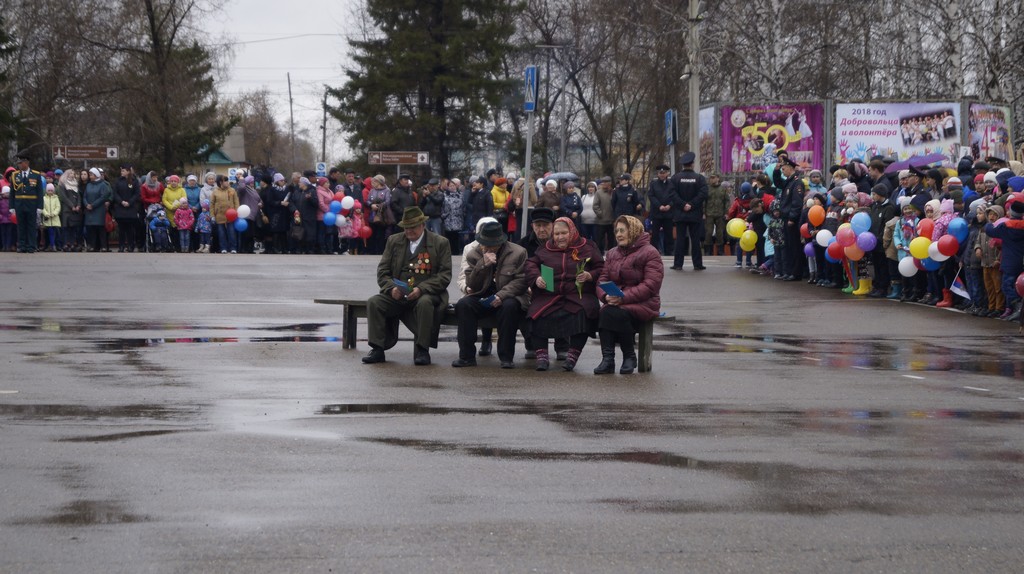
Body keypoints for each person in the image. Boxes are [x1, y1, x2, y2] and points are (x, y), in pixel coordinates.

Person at [362, 206, 453, 366]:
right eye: (406, 228)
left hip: (425, 293)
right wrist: (391, 288)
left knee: (425, 303)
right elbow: (383, 271)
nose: (409, 231)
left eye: (412, 227)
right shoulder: (394, 241)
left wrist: (421, 289)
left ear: (422, 225)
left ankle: (422, 350)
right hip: (398, 294)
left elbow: (444, 275)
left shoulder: (440, 243)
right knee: (374, 302)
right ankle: (377, 349)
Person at [525, 217, 604, 372]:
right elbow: (531, 264)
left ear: (572, 231)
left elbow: (601, 267)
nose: (560, 237)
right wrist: (537, 278)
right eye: (556, 234)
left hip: (577, 295)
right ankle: (542, 357)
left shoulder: (588, 247)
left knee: (584, 313)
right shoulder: (546, 248)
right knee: (535, 314)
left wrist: (590, 275)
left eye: (563, 233)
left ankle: (572, 356)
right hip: (550, 295)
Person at [452, 220, 529, 369]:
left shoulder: (519, 252)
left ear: (499, 243)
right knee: (464, 305)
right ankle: (466, 356)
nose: (485, 247)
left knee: (509, 307)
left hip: (508, 296)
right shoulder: (474, 254)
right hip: (483, 294)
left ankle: (506, 357)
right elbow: (472, 285)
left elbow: (521, 281)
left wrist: (501, 295)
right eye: (483, 244)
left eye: (489, 245)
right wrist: (482, 265)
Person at [594, 215, 663, 374]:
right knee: (606, 311)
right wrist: (605, 297)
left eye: (622, 230)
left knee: (615, 313)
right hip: (616, 302)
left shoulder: (650, 252)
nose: (618, 234)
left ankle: (628, 356)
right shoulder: (612, 253)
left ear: (633, 230)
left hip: (644, 303)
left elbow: (651, 285)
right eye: (616, 230)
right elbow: (602, 280)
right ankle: (609, 360)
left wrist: (623, 297)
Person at [984, 201, 1024, 321]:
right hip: (1021, 261)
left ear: (1011, 212)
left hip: (1009, 261)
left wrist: (989, 223)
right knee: (1020, 286)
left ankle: (1018, 306)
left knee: (1007, 286)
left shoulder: (1005, 226)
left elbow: (990, 230)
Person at [669, 152, 708, 270]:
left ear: (683, 165)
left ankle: (678, 264)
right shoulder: (699, 178)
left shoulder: (675, 178)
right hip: (695, 213)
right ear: (692, 164)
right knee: (695, 239)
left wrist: (682, 205)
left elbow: (672, 194)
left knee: (680, 239)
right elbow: (703, 193)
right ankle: (697, 264)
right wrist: (691, 204)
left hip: (680, 214)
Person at [10, 154, 45, 253]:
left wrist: (39, 206)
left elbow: (39, 192)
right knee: (20, 226)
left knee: (31, 226)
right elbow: (12, 192)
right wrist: (12, 206)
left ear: (26, 163)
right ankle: (21, 246)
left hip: (31, 203)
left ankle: (31, 246)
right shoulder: (15, 175)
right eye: (19, 164)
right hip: (19, 204)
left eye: (21, 163)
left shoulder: (36, 174)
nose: (19, 165)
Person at [647, 164, 678, 256]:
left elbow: (674, 197)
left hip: (668, 213)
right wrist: (659, 206)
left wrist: (669, 205)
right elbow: (651, 196)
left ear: (667, 173)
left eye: (664, 173)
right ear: (658, 174)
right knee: (655, 235)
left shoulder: (672, 184)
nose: (662, 175)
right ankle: (654, 252)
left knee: (669, 234)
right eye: (660, 173)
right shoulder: (653, 184)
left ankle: (669, 252)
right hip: (656, 213)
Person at [82, 168, 111, 252]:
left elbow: (103, 197)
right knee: (91, 229)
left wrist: (93, 205)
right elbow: (84, 196)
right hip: (89, 210)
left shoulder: (103, 185)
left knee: (101, 229)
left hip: (99, 209)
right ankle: (92, 246)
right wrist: (86, 204)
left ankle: (103, 246)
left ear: (96, 175)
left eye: (91, 175)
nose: (90, 176)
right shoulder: (88, 185)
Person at [210, 174, 239, 254]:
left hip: (231, 215)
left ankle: (233, 248)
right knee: (221, 233)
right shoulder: (215, 191)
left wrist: (236, 212)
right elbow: (212, 204)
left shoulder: (232, 190)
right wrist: (212, 215)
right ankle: (223, 248)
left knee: (231, 232)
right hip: (219, 215)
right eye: (225, 181)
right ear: (220, 182)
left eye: (227, 180)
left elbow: (236, 202)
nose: (227, 182)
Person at [56, 169, 84, 252]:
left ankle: (72, 244)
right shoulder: (62, 185)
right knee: (66, 227)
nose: (72, 174)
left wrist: (78, 205)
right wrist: (71, 206)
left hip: (75, 210)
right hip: (67, 209)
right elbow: (64, 197)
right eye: (70, 173)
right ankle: (65, 244)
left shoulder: (75, 184)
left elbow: (78, 196)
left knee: (73, 227)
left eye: (73, 173)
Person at [704, 173, 730, 256]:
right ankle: (708, 251)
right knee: (708, 232)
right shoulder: (707, 189)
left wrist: (726, 212)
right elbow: (704, 201)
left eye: (713, 178)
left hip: (720, 214)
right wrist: (703, 212)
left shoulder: (722, 189)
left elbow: (727, 201)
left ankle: (720, 251)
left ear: (718, 178)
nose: (711, 179)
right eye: (710, 178)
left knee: (720, 233)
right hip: (709, 213)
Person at [592, 177, 615, 251]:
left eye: (605, 182)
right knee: (600, 240)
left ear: (610, 183)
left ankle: (611, 254)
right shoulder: (598, 192)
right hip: (601, 221)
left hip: (611, 221)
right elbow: (595, 205)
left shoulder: (614, 192)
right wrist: (600, 214)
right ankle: (600, 254)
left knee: (611, 239)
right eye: (603, 182)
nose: (603, 184)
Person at [42, 183, 62, 251]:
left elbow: (58, 207)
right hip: (47, 219)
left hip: (54, 218)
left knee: (54, 233)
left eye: (51, 190)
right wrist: (46, 214)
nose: (50, 192)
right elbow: (43, 208)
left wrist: (54, 213)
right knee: (49, 233)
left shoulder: (56, 198)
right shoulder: (44, 198)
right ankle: (51, 245)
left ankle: (53, 245)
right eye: (49, 190)